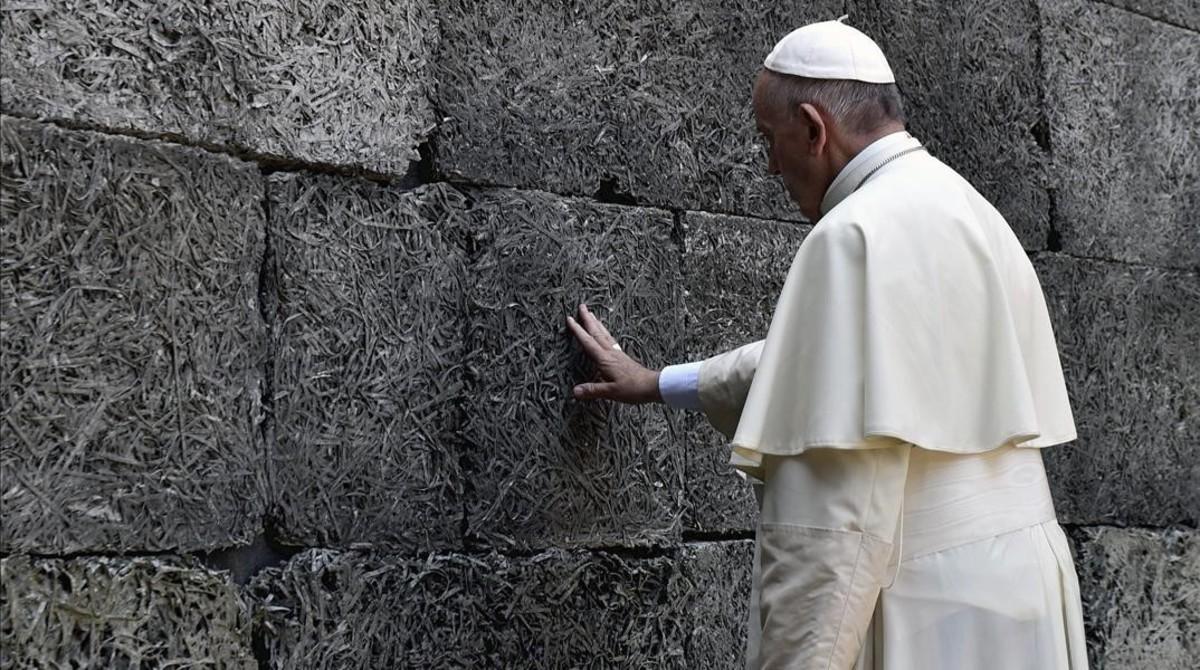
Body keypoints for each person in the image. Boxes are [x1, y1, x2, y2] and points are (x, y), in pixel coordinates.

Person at [565, 18, 1089, 670]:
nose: (769, 164)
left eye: (769, 139)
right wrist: (658, 382)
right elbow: (834, 370)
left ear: (814, 129)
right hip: (1021, 589)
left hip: (926, 612)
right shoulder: (966, 209)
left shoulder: (853, 235)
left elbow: (833, 522)